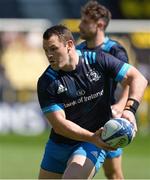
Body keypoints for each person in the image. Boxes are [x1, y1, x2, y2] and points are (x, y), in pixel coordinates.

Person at [37, 24, 147, 179]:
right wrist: (91, 137)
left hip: (90, 143)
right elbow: (59, 125)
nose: (49, 55)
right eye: (46, 50)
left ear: (69, 45)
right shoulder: (47, 81)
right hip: (59, 145)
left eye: (53, 49)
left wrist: (129, 109)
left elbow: (138, 78)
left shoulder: (96, 59)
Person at [76, 0, 129, 178]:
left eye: (85, 22)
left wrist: (121, 107)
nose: (79, 25)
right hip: (81, 122)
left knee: (113, 173)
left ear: (99, 25)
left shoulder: (114, 50)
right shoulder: (78, 50)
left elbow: (129, 82)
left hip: (107, 122)